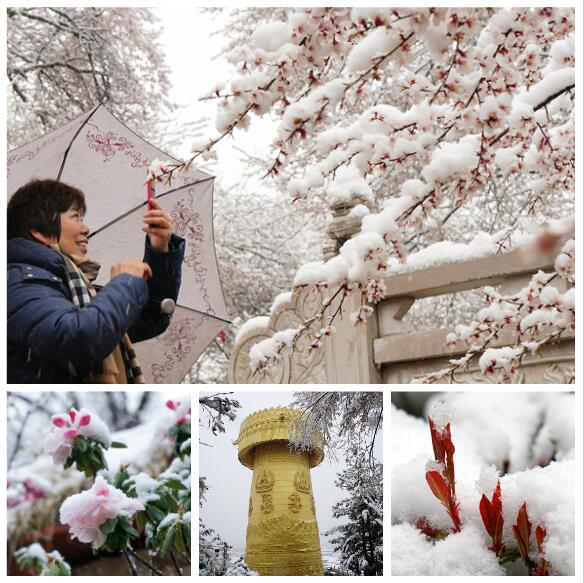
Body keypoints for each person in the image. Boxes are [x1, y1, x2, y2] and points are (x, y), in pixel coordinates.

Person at [7, 179, 185, 384]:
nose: (86, 229)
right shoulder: (17, 282)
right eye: (76, 217)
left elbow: (149, 316)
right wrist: (125, 284)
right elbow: (77, 341)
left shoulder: (74, 288)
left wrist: (159, 250)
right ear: (39, 230)